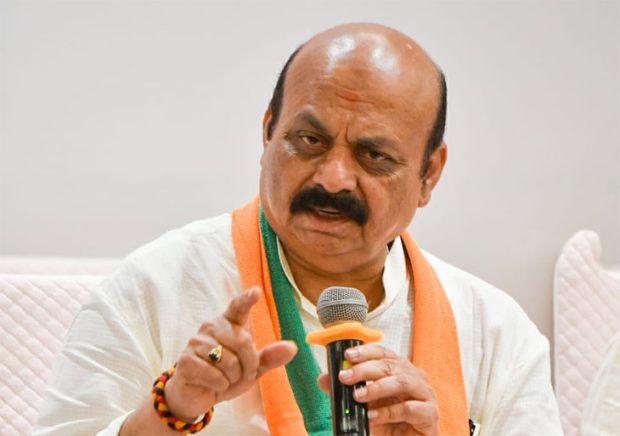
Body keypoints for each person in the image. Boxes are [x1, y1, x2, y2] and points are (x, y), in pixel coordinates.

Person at [34, 22, 563, 435]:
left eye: (374, 156)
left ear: (429, 174)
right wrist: (169, 410)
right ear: (268, 134)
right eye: (309, 141)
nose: (333, 178)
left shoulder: (496, 333)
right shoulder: (155, 288)